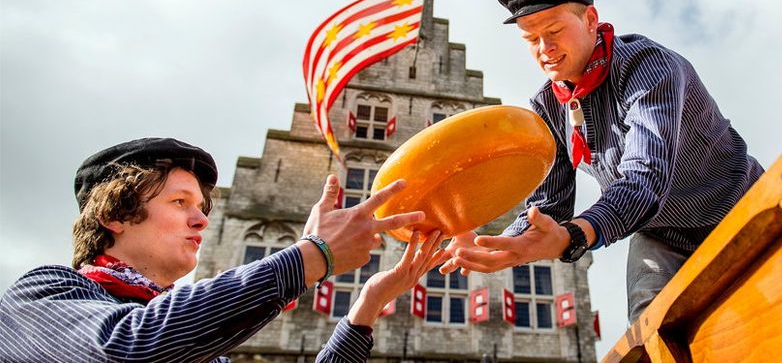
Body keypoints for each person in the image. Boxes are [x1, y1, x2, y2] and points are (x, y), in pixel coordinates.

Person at [443, 0, 764, 321]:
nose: (544, 49)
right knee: (650, 324)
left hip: (737, 206)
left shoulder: (649, 66)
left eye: (554, 31)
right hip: (662, 235)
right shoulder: (547, 105)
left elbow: (643, 179)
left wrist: (573, 237)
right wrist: (504, 243)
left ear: (591, 20)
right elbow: (549, 203)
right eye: (531, 40)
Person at [0, 137, 447, 362]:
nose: (201, 219)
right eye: (179, 203)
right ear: (113, 216)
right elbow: (128, 349)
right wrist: (313, 256)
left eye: (201, 206)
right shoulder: (42, 293)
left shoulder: (202, 344)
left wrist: (365, 309)